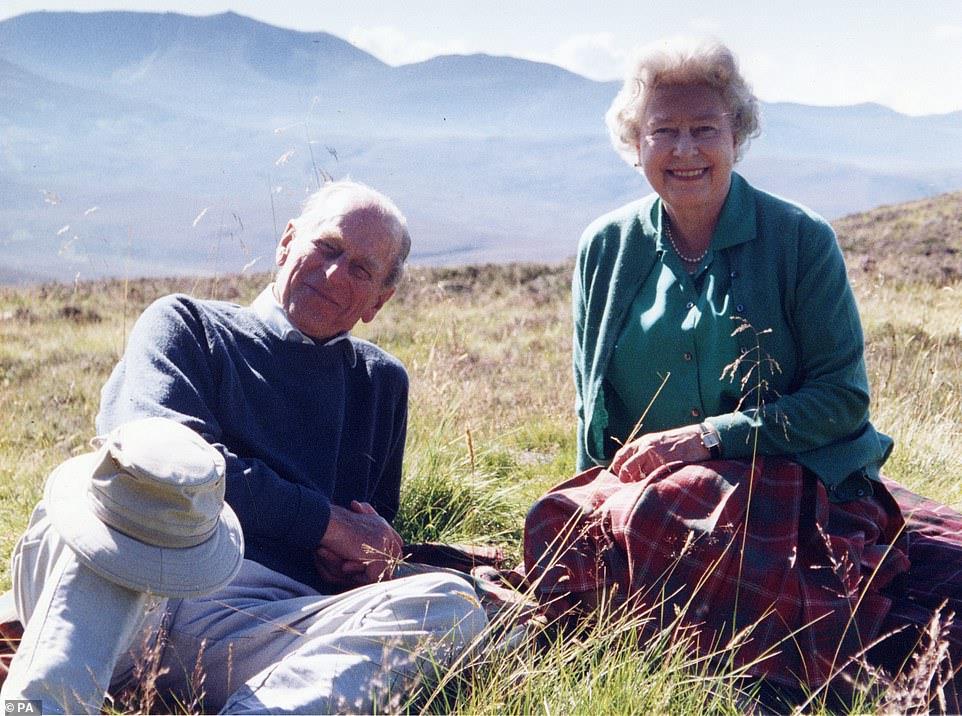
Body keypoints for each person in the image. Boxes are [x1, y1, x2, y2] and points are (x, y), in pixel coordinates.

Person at [524, 38, 962, 702]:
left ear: (738, 136)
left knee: (662, 515)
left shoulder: (799, 239)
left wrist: (707, 438)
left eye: (705, 129)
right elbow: (595, 406)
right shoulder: (605, 248)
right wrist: (598, 492)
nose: (685, 150)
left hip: (788, 474)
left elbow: (842, 401)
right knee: (559, 523)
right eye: (662, 132)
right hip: (656, 489)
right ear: (633, 144)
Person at [2, 181, 488, 714]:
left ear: (379, 300)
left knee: (451, 605)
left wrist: (362, 564)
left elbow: (361, 537)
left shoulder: (379, 382)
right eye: (327, 249)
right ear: (287, 243)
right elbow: (160, 462)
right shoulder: (186, 323)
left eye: (360, 269)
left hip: (253, 626)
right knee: (94, 496)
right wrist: (325, 525)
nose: (332, 274)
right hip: (124, 583)